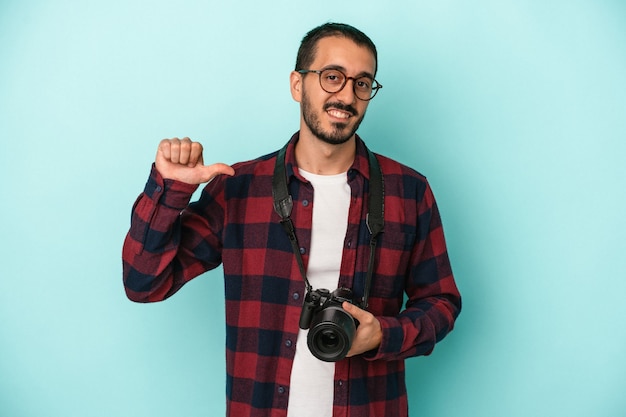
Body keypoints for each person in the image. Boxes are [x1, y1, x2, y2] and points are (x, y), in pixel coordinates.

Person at [122, 22, 461, 417]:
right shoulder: (238, 188)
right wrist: (170, 192)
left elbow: (442, 303)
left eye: (362, 83)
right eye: (332, 77)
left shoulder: (409, 191)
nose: (347, 96)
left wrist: (381, 335)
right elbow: (144, 283)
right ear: (298, 85)